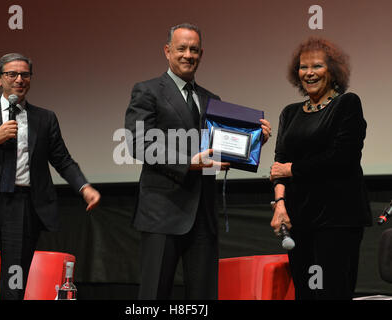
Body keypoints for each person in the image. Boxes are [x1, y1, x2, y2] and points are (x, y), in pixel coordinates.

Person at [125, 23, 271, 299]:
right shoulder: (147, 91)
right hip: (161, 213)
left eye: (194, 50)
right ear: (167, 51)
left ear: (201, 54)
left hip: (203, 216)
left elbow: (221, 151)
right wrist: (188, 163)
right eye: (181, 48)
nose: (187, 55)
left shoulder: (211, 100)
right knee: (153, 297)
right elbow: (138, 143)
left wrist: (253, 142)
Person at [0, 53, 101, 300]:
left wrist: (83, 187)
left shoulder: (44, 118)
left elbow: (62, 159)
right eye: (12, 74)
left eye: (25, 74)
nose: (19, 79)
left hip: (21, 209)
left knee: (13, 289)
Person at [269, 37, 372, 300]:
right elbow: (278, 161)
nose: (309, 73)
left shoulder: (347, 104)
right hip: (297, 219)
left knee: (332, 293)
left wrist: (291, 170)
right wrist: (280, 203)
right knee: (305, 294)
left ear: (333, 71)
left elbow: (341, 158)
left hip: (336, 219)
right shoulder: (290, 113)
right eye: (303, 67)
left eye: (317, 66)